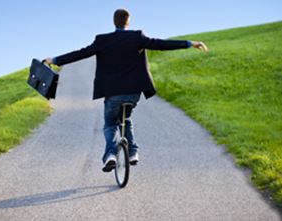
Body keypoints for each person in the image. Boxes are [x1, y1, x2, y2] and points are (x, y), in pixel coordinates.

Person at [45, 9, 208, 172]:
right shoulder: (137, 37)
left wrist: (55, 60)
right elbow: (161, 44)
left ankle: (110, 155)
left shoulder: (102, 40)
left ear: (113, 21)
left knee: (110, 124)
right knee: (126, 119)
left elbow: (81, 53)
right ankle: (133, 153)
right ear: (128, 21)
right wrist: (189, 43)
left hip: (112, 93)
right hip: (133, 92)